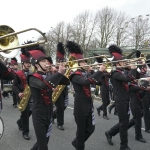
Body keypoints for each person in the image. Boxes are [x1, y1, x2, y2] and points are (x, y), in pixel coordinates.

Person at [26, 44, 70, 150]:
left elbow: (66, 81)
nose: (47, 63)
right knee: (43, 146)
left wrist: (58, 73)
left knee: (44, 141)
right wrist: (57, 74)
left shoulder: (50, 75)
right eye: (43, 61)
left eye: (47, 61)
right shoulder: (32, 77)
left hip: (49, 113)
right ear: (37, 65)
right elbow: (43, 85)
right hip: (39, 115)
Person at [66, 41, 105, 150]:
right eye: (83, 62)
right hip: (80, 105)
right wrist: (99, 72)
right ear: (77, 63)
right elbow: (85, 82)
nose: (86, 63)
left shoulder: (86, 73)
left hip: (89, 103)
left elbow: (99, 83)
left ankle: (77, 142)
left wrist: (94, 72)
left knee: (91, 128)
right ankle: (79, 145)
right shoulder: (74, 75)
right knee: (81, 131)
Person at [105, 45, 137, 150]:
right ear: (118, 63)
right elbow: (128, 79)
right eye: (123, 62)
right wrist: (132, 69)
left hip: (125, 99)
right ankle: (123, 146)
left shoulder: (122, 72)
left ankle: (109, 132)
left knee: (124, 122)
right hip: (120, 100)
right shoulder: (115, 73)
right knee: (124, 123)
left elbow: (130, 80)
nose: (124, 63)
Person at [13, 46, 32, 140]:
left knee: (30, 112)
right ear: (23, 63)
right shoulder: (18, 74)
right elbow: (14, 86)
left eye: (29, 63)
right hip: (22, 96)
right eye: (27, 63)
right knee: (25, 115)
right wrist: (18, 93)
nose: (29, 64)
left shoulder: (32, 73)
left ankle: (19, 122)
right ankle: (26, 132)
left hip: (31, 97)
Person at [52, 42, 69, 130]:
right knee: (60, 107)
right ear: (57, 61)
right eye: (60, 61)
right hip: (56, 89)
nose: (62, 63)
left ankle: (52, 116)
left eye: (63, 61)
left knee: (64, 106)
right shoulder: (53, 68)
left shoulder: (66, 68)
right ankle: (60, 123)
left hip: (64, 89)